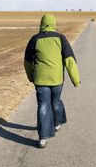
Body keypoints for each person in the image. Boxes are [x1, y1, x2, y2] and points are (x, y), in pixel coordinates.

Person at [24, 14, 81, 148]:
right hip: (57, 79)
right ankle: (57, 123)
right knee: (55, 101)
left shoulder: (35, 39)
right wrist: (76, 80)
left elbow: (27, 62)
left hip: (40, 79)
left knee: (43, 105)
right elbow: (70, 60)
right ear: (54, 24)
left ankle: (43, 137)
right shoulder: (61, 38)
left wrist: (31, 76)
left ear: (41, 24)